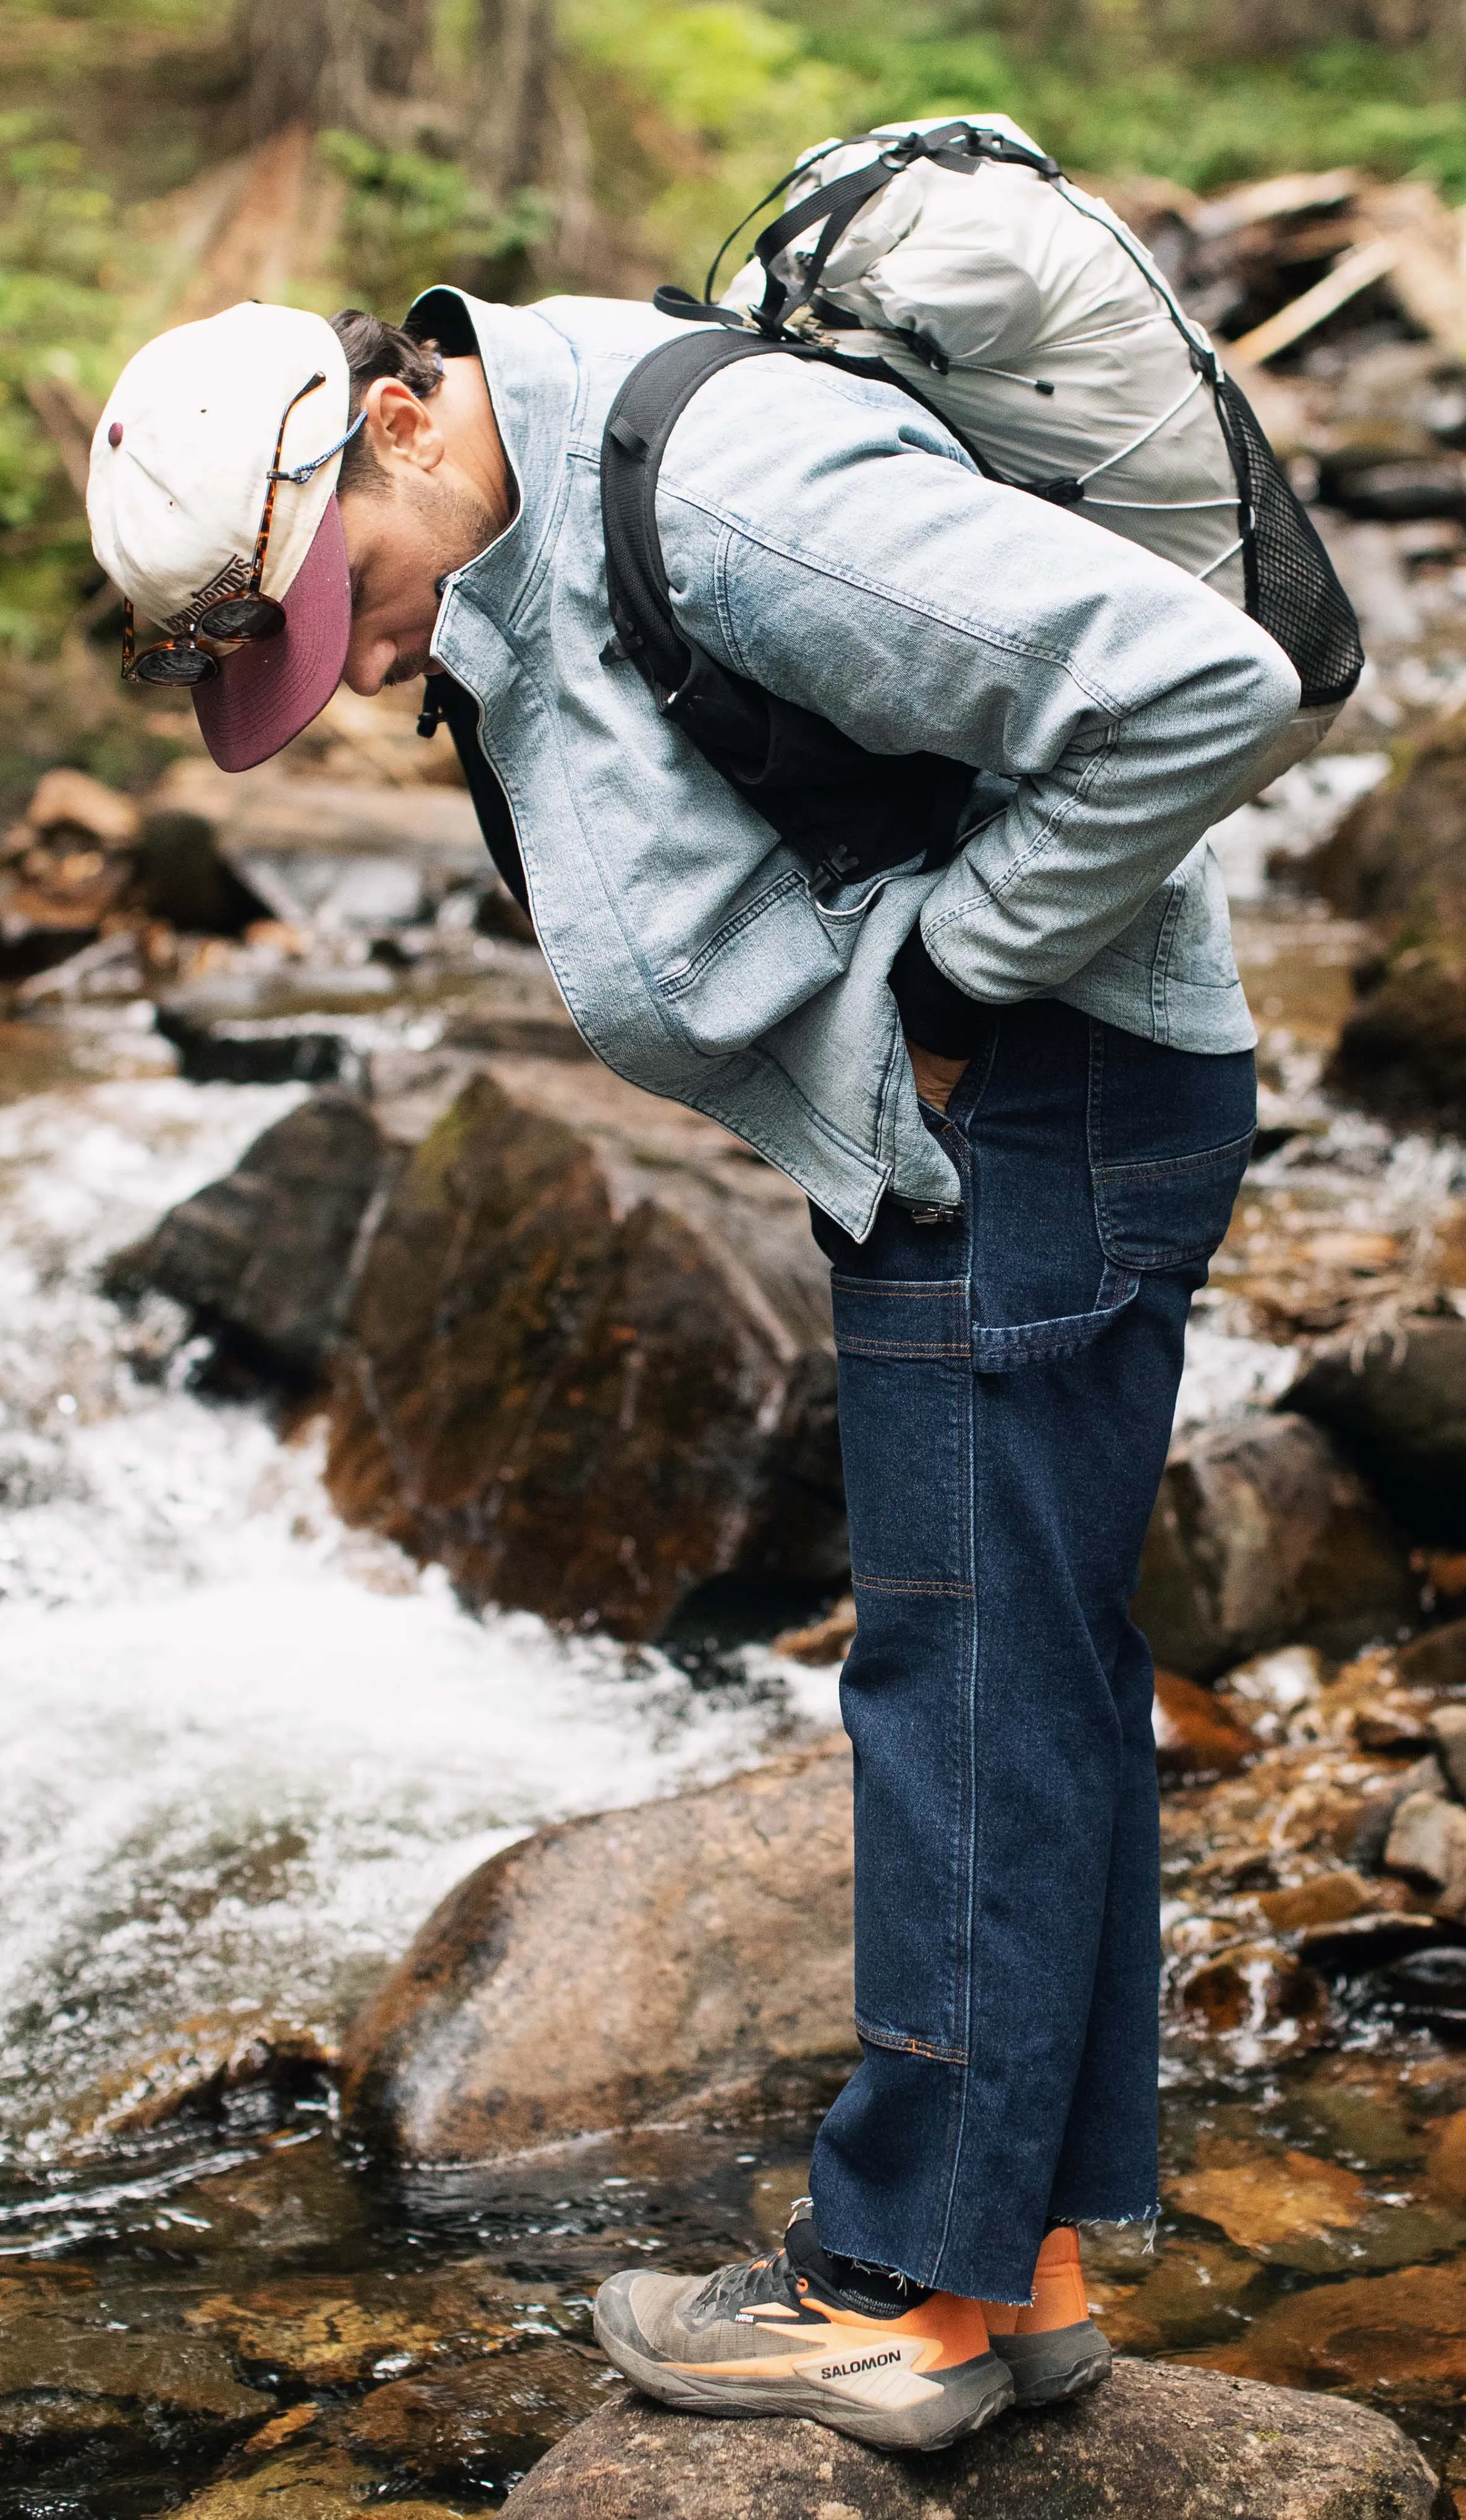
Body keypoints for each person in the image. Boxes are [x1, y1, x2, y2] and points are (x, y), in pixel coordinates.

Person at [87, 288, 1297, 2455]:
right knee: (1024, 1668)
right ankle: (1008, 2263)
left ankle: (889, 2298)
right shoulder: (492, 498)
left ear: (390, 425)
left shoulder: (726, 493)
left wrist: (949, 970)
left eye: (331, 608)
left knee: (967, 1675)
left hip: (1032, 1105)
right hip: (974, 1123)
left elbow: (1199, 685)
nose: (351, 677)